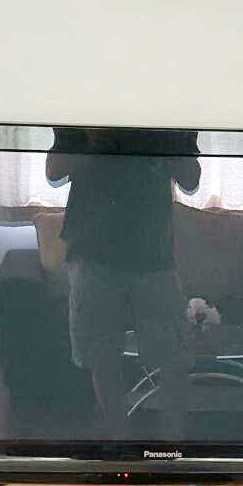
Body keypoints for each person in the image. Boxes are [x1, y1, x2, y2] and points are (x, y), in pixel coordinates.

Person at [45, 128, 201, 435]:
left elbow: (190, 179)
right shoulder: (82, 111)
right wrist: (95, 140)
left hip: (152, 254)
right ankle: (122, 446)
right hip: (92, 249)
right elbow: (54, 171)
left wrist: (161, 140)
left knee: (174, 359)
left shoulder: (171, 112)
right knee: (101, 357)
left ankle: (172, 451)